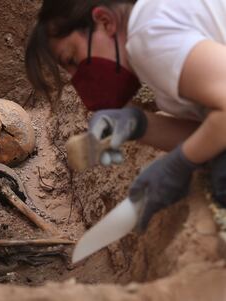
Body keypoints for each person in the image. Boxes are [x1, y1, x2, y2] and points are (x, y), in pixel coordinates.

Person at [25, 0, 226, 231]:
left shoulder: (148, 36)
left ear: (105, 22)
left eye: (72, 59)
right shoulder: (154, 30)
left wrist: (179, 164)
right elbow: (214, 133)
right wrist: (139, 125)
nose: (76, 75)